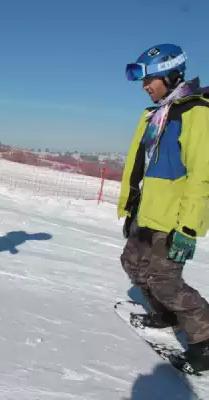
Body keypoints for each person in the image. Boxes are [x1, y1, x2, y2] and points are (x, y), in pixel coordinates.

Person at [119, 43, 209, 371]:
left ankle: (205, 340)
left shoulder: (196, 111)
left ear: (172, 75)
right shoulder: (155, 115)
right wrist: (132, 208)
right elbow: (139, 166)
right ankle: (166, 317)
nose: (144, 86)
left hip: (174, 219)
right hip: (148, 212)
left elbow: (203, 173)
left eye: (150, 79)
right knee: (132, 263)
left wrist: (189, 227)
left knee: (165, 281)